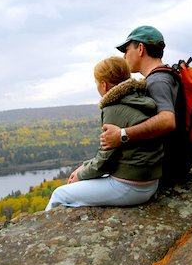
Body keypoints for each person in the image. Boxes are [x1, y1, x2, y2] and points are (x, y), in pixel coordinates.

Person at [45, 56, 164, 210]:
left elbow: (105, 160)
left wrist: (80, 175)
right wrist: (84, 166)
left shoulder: (113, 108)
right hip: (150, 183)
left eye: (96, 83)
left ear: (104, 85)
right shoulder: (141, 98)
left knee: (59, 194)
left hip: (131, 187)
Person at [100, 26, 192, 182]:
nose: (124, 56)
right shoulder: (167, 74)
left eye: (126, 50)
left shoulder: (157, 81)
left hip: (167, 169)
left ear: (141, 48)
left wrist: (122, 135)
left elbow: (167, 121)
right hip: (178, 163)